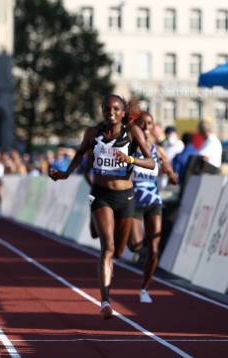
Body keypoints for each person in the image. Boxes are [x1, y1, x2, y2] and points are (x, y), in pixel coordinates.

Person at [49, 95, 154, 319]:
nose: (111, 113)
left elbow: (151, 162)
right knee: (107, 248)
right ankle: (105, 300)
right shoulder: (92, 133)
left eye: (116, 109)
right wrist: (65, 174)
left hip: (125, 196)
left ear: (124, 112)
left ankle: (101, 235)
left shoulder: (132, 132)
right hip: (100, 194)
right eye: (107, 109)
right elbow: (80, 155)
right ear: (102, 110)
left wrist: (131, 161)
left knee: (118, 250)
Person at [131, 112, 178, 303]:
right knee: (135, 245)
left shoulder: (158, 151)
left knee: (154, 248)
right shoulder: (129, 150)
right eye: (142, 124)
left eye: (149, 124)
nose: (145, 127)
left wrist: (172, 175)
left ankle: (144, 288)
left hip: (153, 201)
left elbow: (172, 175)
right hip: (133, 202)